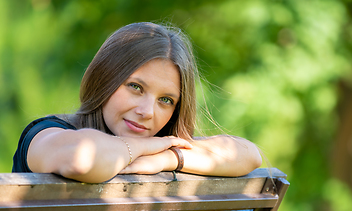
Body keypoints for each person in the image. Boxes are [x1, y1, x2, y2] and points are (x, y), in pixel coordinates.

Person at [12, 22, 262, 183]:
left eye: (166, 100)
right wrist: (140, 149)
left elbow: (250, 155)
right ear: (104, 79)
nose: (147, 112)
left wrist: (167, 159)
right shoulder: (45, 136)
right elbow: (83, 159)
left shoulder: (161, 147)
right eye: (135, 87)